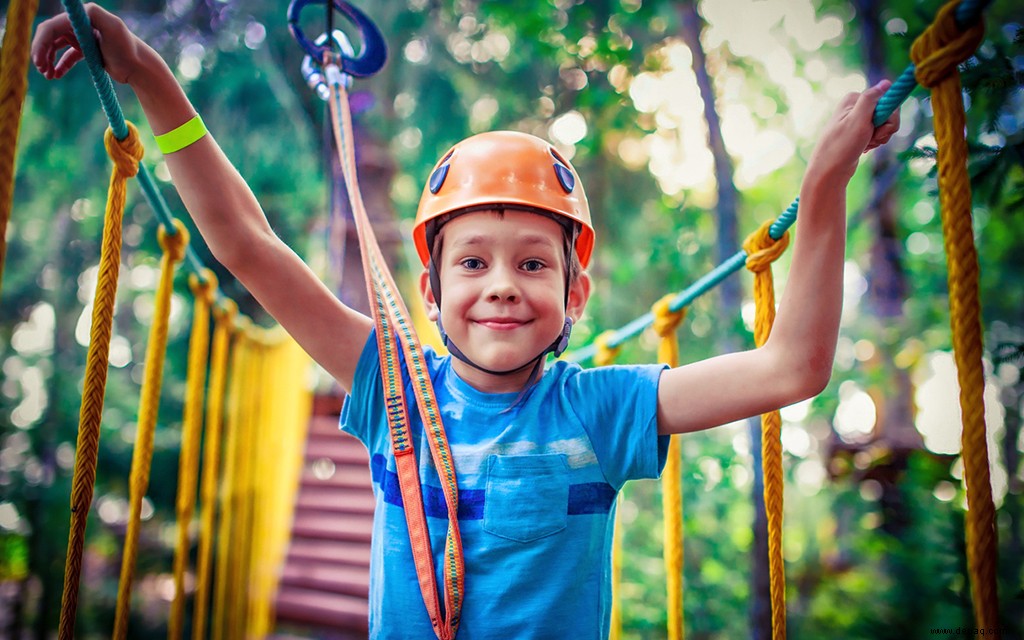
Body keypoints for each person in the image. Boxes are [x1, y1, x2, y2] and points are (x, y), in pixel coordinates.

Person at [33, 4, 900, 638]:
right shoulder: (389, 383)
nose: (501, 287)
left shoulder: (601, 410)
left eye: (533, 264)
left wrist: (823, 186)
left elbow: (793, 369)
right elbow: (246, 244)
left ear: (576, 294)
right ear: (430, 287)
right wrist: (146, 71)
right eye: (473, 262)